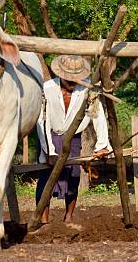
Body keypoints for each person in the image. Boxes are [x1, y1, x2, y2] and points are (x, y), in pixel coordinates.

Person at [35, 55, 112, 224]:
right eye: (68, 78)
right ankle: (43, 220)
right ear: (60, 75)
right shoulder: (47, 88)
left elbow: (97, 116)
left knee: (73, 177)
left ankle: (68, 218)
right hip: (49, 137)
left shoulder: (87, 90)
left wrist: (102, 146)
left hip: (74, 140)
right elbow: (42, 120)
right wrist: (49, 150)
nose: (71, 82)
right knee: (46, 178)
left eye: (75, 79)